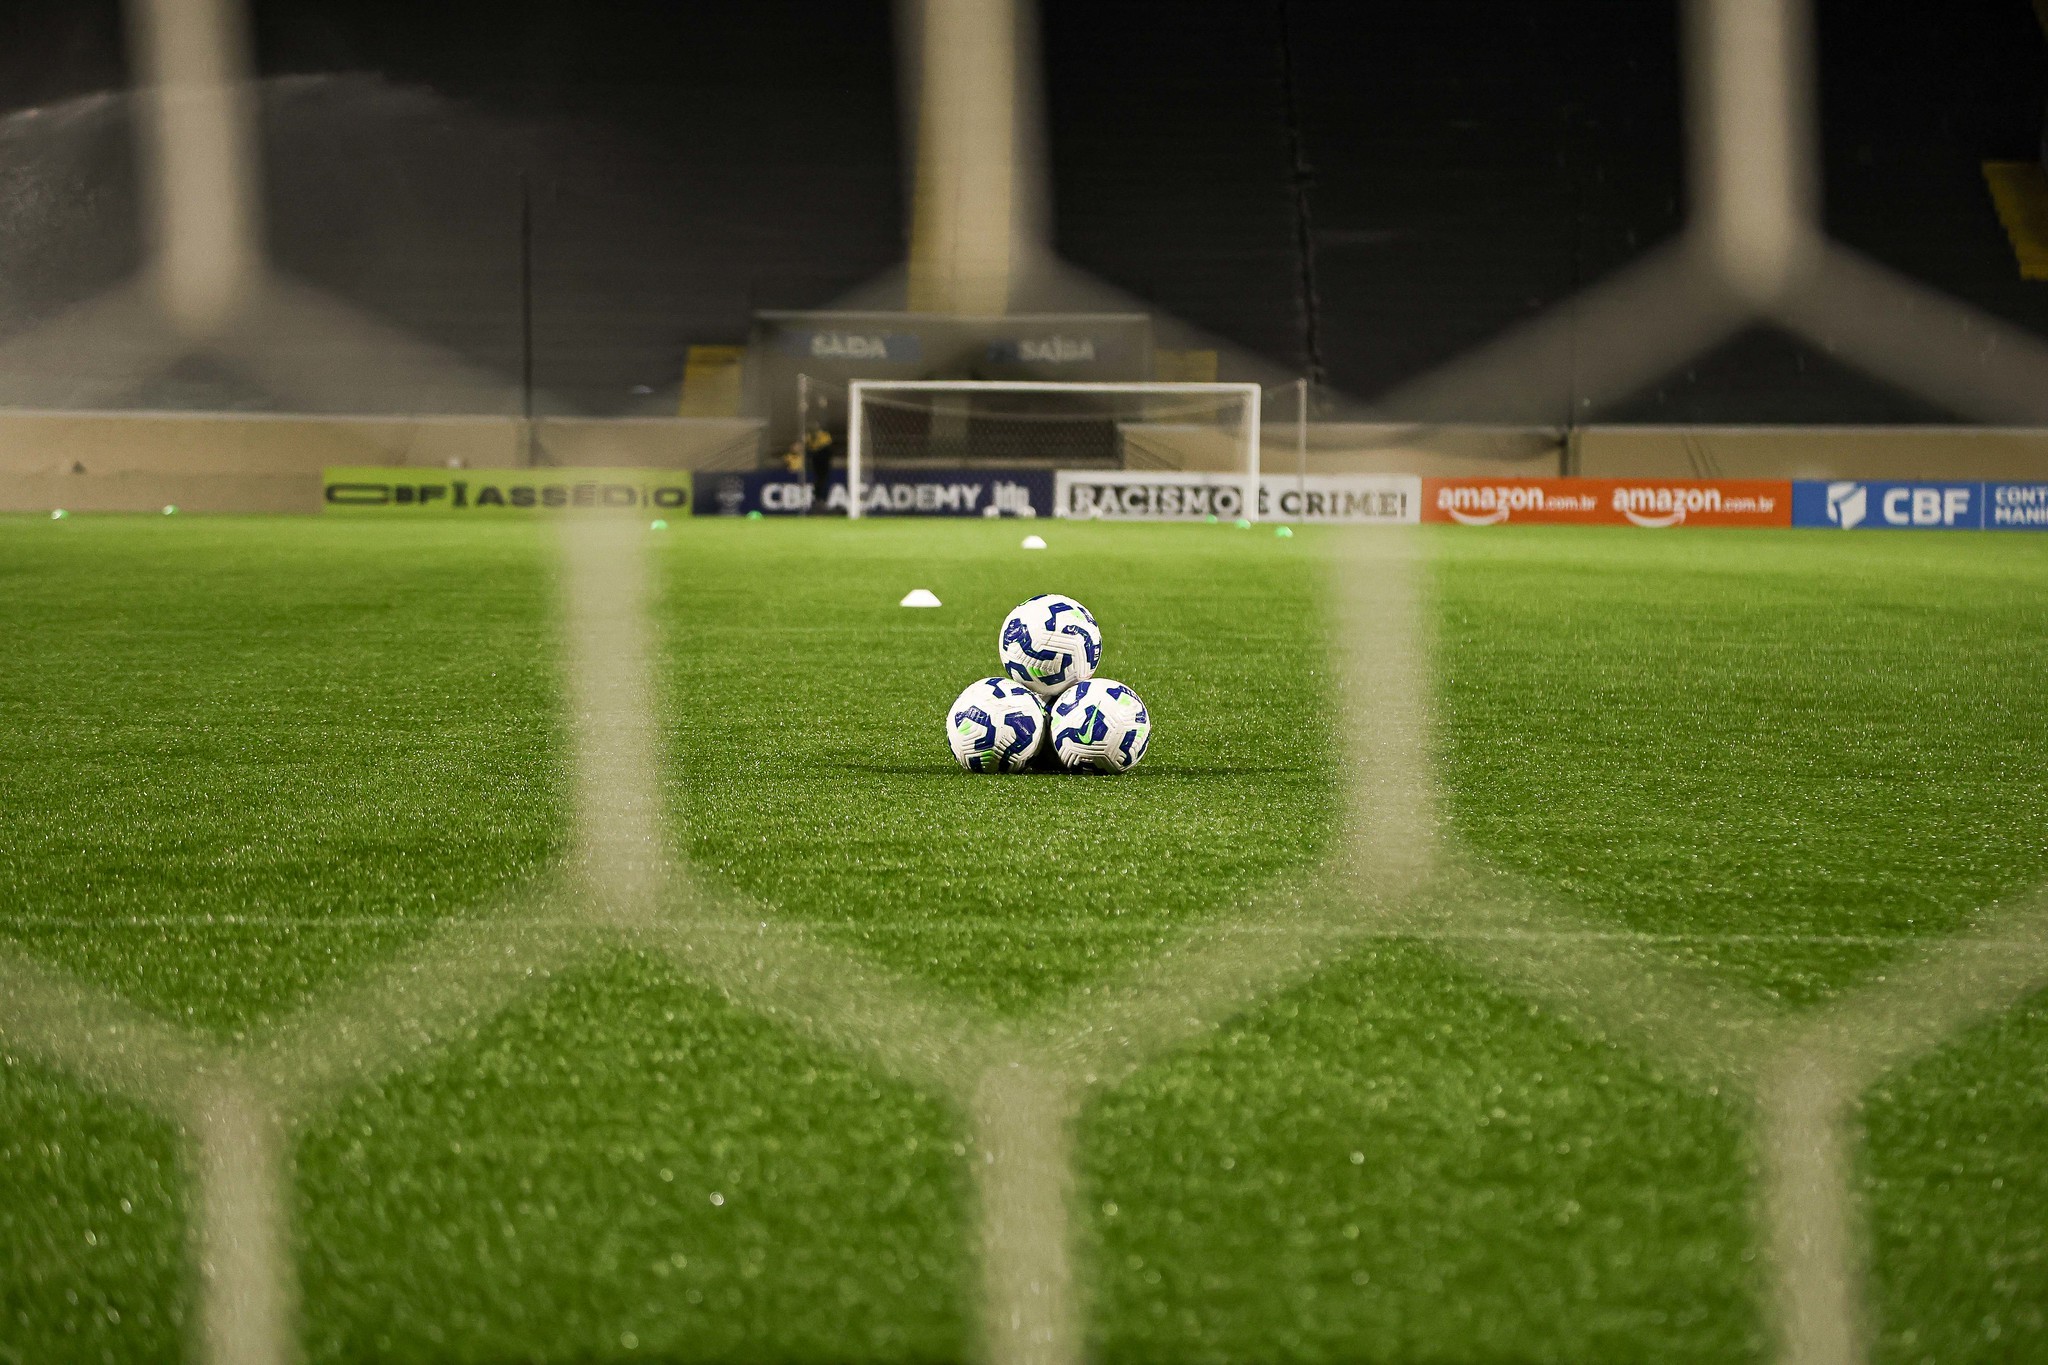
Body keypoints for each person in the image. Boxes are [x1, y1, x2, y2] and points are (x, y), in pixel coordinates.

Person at [803, 427, 837, 516]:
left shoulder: (824, 436)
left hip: (823, 462)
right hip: (816, 463)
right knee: (818, 483)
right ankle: (818, 501)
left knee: (823, 482)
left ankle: (821, 502)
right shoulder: (809, 437)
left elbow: (827, 449)